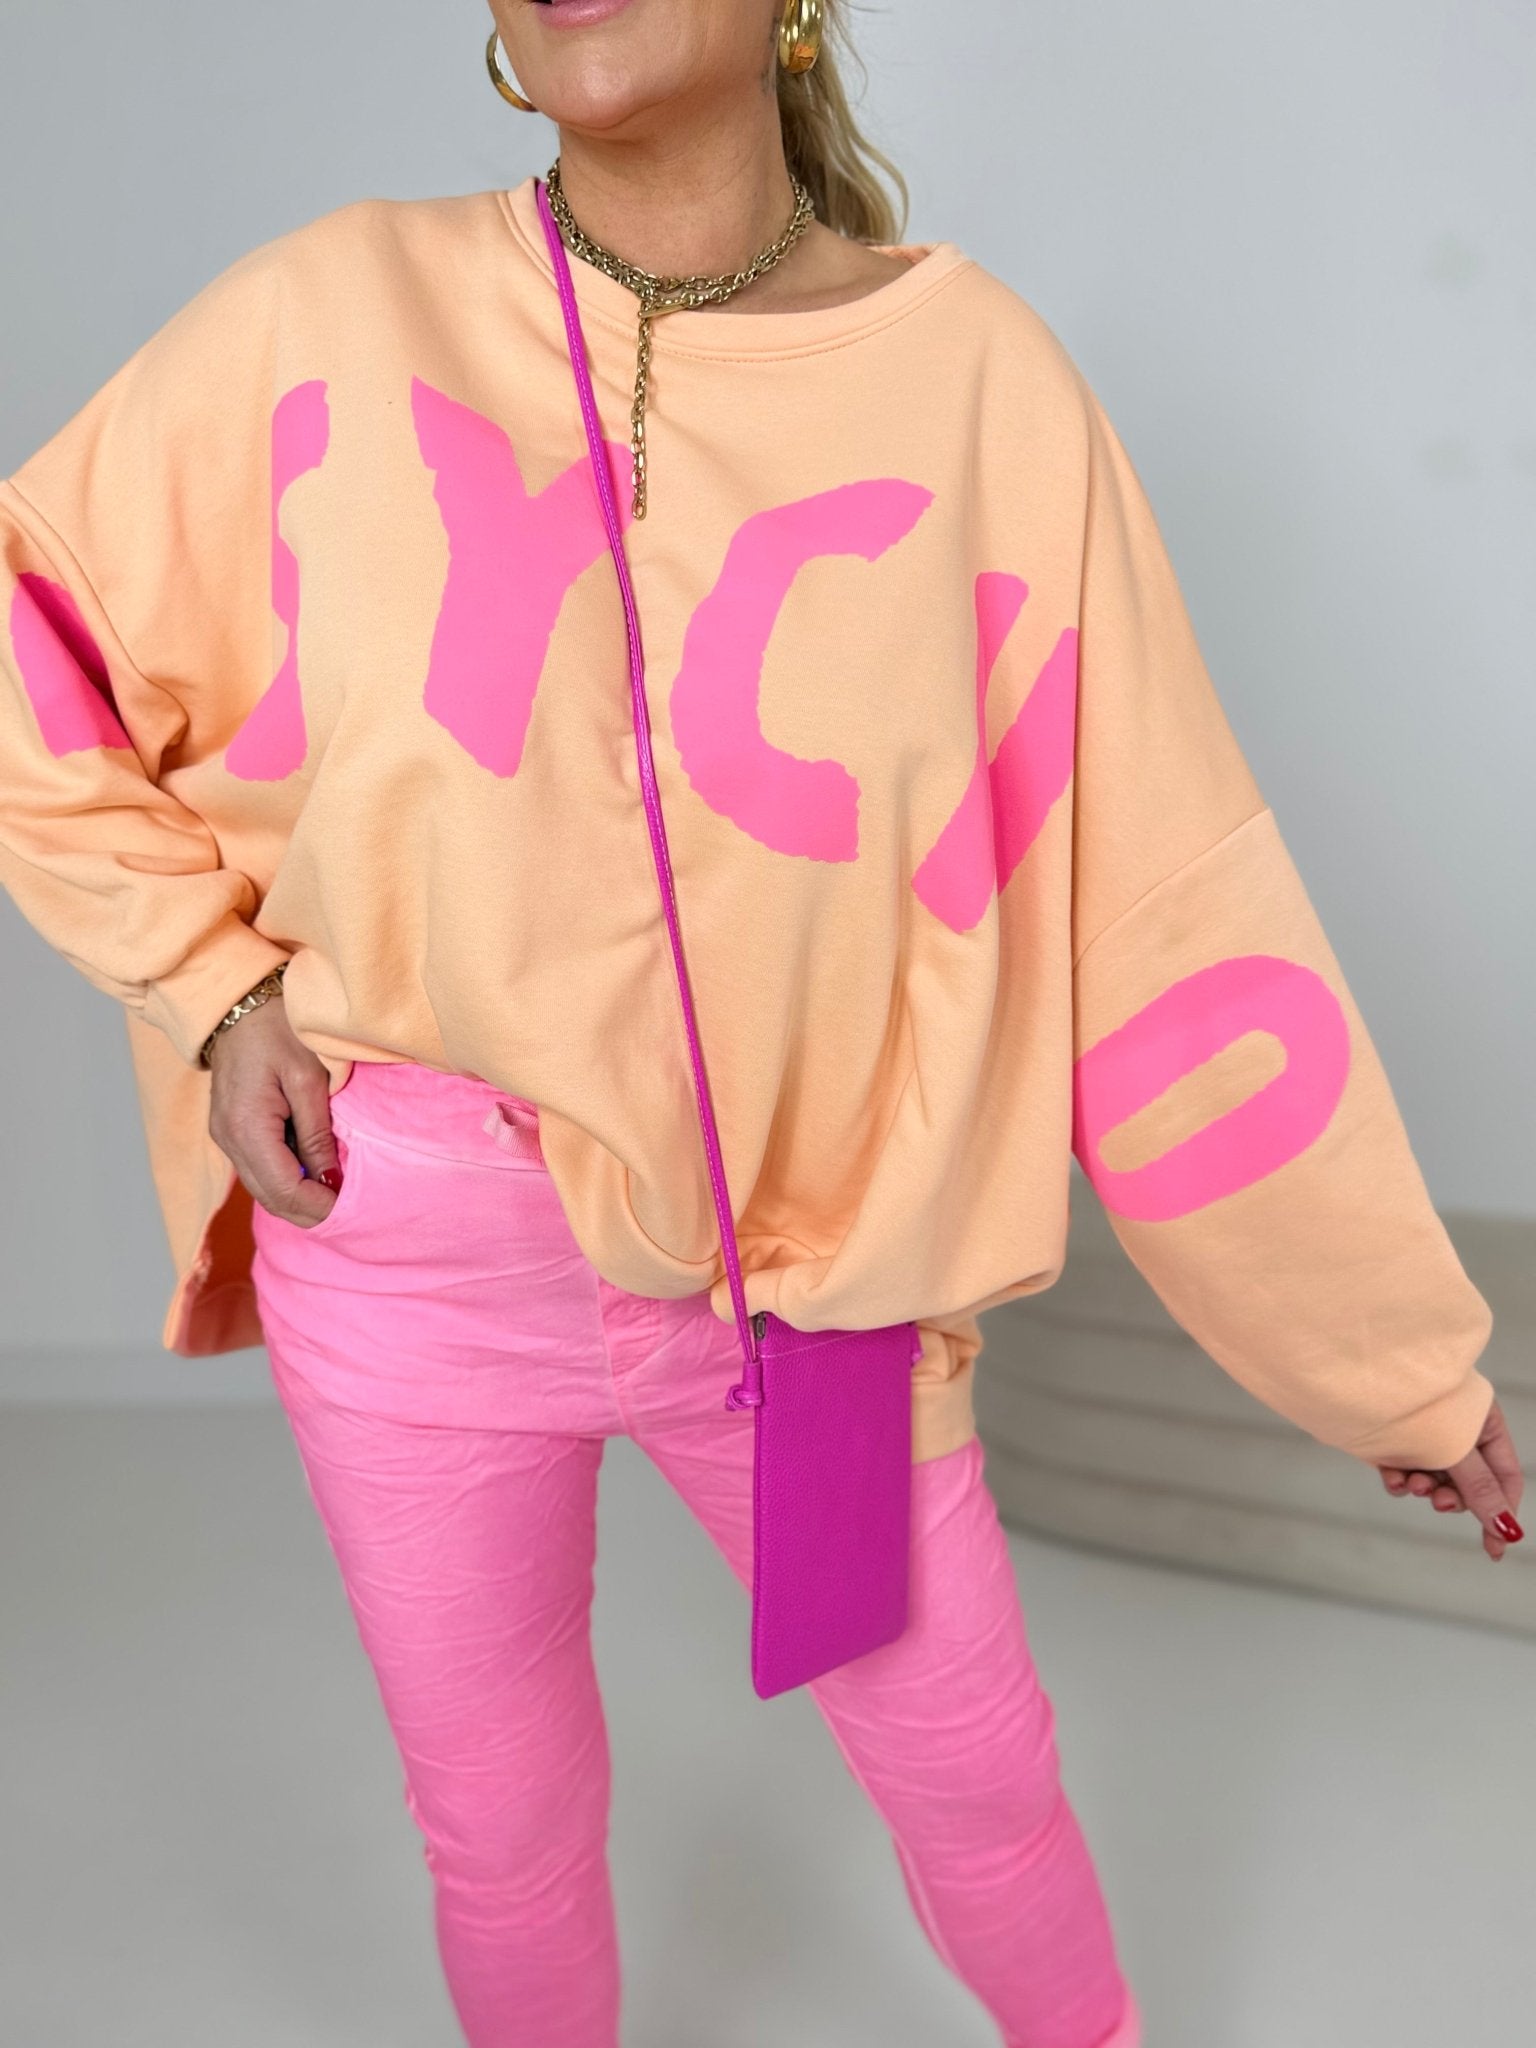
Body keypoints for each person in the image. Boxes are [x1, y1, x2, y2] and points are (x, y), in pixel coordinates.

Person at [0, 3, 1523, 2043]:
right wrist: (213, 988)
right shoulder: (331, 312)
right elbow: (32, 624)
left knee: (979, 1783)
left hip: (804, 1287)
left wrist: (1392, 1364)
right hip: (405, 1239)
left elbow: (1164, 903)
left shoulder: (977, 389)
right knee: (502, 1828)